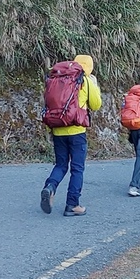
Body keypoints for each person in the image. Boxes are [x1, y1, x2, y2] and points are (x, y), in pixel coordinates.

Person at [41, 54, 102, 217]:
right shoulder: (85, 80)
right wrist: (94, 86)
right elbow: (96, 105)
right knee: (77, 168)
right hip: (76, 131)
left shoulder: (57, 78)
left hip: (57, 128)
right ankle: (72, 205)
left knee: (61, 165)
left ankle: (50, 187)